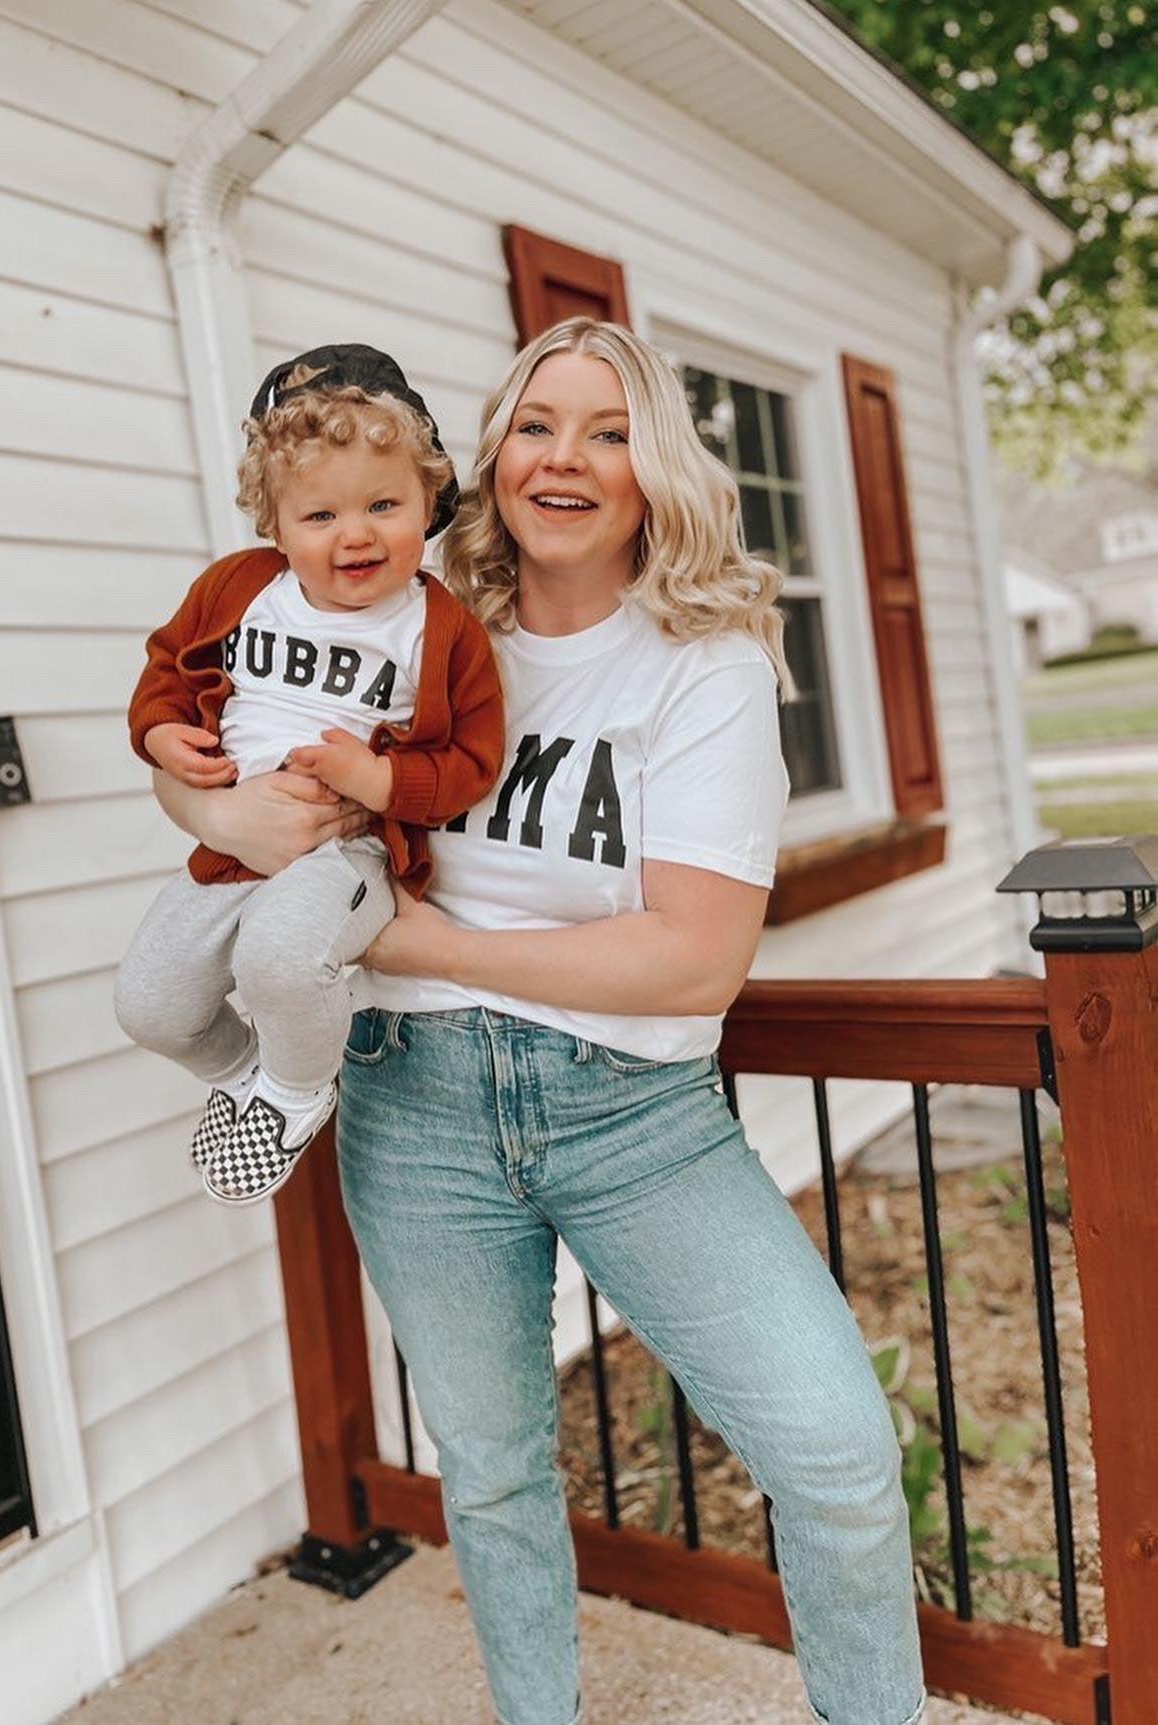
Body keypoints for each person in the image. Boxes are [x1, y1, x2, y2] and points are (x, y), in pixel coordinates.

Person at [154, 318, 924, 1725]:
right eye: (537, 425)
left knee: (833, 1453)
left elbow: (696, 960)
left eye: (610, 430)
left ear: (657, 472)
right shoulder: (417, 617)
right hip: (413, 1095)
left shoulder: (704, 665)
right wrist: (206, 801)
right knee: (495, 1469)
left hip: (632, 1115)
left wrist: (424, 939)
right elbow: (228, 728)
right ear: (487, 457)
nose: (566, 458)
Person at [116, 345, 503, 1204]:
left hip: (344, 854)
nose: (355, 532)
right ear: (276, 524)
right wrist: (163, 735)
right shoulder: (237, 590)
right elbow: (165, 673)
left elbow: (472, 762)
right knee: (149, 1003)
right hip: (231, 847)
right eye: (320, 515)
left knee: (281, 960)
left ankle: (296, 1095)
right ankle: (254, 1072)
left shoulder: (440, 630)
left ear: (429, 500)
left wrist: (375, 781)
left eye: (383, 504)